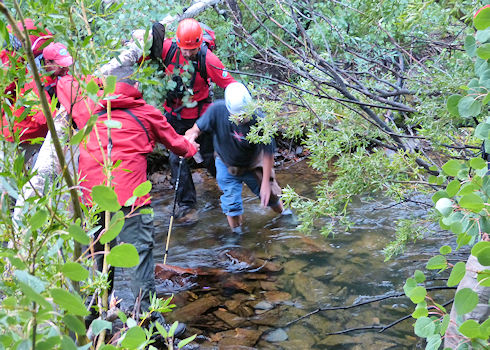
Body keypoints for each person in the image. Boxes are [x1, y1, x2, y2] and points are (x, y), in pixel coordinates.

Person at [57, 67, 197, 335]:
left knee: (97, 257)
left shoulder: (87, 106)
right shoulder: (146, 113)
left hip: (94, 198)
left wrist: (86, 77)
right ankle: (147, 323)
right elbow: (177, 145)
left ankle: (91, 320)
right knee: (140, 257)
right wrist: (192, 147)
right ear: (136, 87)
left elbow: (65, 83)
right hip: (132, 200)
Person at [152, 18, 237, 225]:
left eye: (193, 49)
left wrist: (240, 115)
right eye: (185, 49)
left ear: (200, 44)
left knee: (209, 157)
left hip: (201, 117)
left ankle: (229, 187)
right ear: (177, 43)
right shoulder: (166, 50)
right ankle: (187, 206)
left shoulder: (208, 60)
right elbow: (141, 57)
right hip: (175, 116)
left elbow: (232, 86)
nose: (188, 53)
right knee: (176, 159)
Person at [185, 82, 285, 233]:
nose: (240, 120)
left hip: (254, 163)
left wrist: (265, 183)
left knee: (270, 195)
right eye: (236, 116)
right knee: (231, 204)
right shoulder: (217, 110)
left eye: (244, 116)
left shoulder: (259, 119)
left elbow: (268, 153)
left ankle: (285, 216)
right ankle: (237, 237)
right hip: (226, 163)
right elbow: (195, 129)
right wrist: (190, 137)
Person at [1, 42, 72, 164]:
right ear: (48, 63)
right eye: (61, 65)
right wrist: (70, 121)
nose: (66, 68)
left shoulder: (56, 75)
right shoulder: (32, 82)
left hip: (34, 138)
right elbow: (44, 116)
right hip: (14, 138)